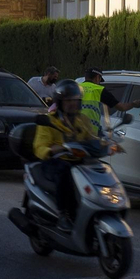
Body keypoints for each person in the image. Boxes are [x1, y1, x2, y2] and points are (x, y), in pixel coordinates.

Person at [32, 80, 102, 232]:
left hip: (77, 160)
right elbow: (39, 147)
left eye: (75, 100)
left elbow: (91, 138)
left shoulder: (82, 120)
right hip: (55, 161)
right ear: (60, 102)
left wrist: (106, 144)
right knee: (66, 172)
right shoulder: (50, 120)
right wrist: (55, 149)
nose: (72, 104)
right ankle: (63, 214)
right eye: (68, 100)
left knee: (102, 169)